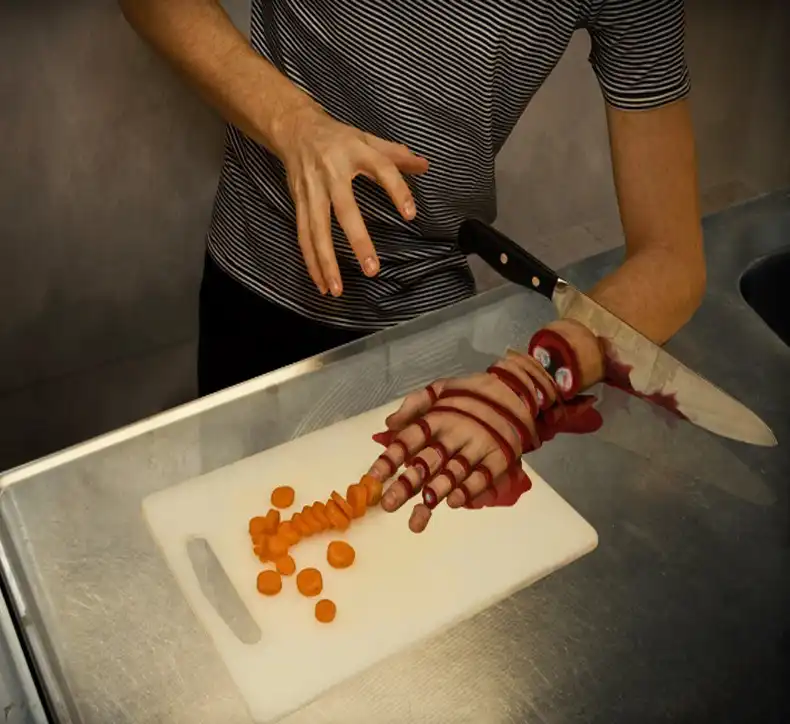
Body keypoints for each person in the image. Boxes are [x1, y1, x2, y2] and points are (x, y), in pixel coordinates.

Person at [122, 1, 706, 529]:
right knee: (239, 542)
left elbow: (672, 260)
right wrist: (293, 123)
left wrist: (531, 379)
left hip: (428, 338)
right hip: (257, 286)